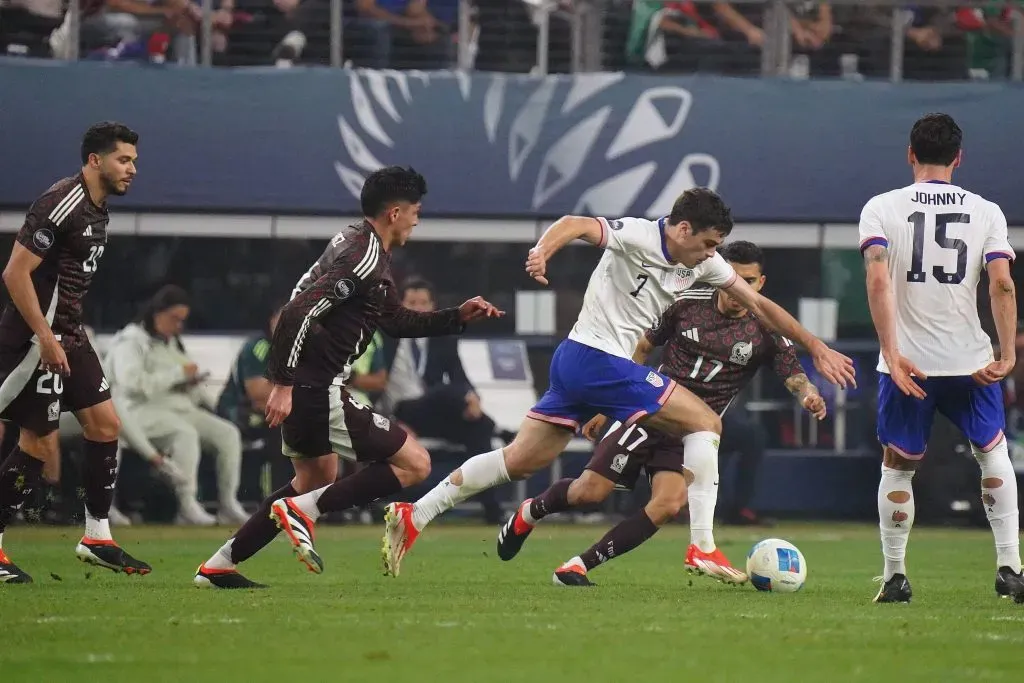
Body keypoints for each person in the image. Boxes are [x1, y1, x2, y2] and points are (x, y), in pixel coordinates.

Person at [382, 188, 857, 578]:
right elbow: (576, 222)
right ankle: (704, 548)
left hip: (576, 362)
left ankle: (416, 513)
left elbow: (762, 308)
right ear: (684, 228)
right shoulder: (638, 234)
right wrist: (542, 249)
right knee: (706, 422)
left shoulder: (704, 265)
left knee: (521, 460)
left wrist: (816, 347)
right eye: (708, 243)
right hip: (598, 359)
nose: (712, 256)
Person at [193, 166, 501, 588]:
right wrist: (283, 384)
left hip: (307, 385)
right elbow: (296, 312)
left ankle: (219, 564)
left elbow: (393, 320)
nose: (417, 220)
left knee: (313, 482)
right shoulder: (364, 255)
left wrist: (455, 316)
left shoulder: (359, 243)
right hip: (317, 388)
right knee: (415, 464)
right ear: (395, 212)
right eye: (416, 211)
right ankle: (305, 511)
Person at [496, 240, 827, 585]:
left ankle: (577, 566)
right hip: (649, 410)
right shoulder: (686, 303)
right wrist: (607, 405)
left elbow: (794, 375)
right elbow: (642, 346)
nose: (740, 290)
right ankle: (530, 512)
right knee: (589, 493)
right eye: (736, 280)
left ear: (761, 283)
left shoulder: (767, 329)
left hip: (693, 434)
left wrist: (809, 395)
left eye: (750, 281)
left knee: (669, 503)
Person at [860, 113, 1024, 604]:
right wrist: (1008, 350)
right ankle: (1010, 567)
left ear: (911, 154)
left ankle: (894, 577)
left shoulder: (881, 208)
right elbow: (1001, 282)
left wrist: (891, 352)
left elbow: (876, 279)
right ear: (959, 158)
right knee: (992, 452)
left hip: (910, 365)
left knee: (899, 464)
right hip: (971, 361)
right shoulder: (987, 211)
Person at [0, 121, 150, 585]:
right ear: (94, 160)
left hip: (69, 335)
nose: (132, 170)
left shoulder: (98, 209)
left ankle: (96, 536)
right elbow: (15, 274)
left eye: (134, 162)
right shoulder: (62, 201)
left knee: (106, 425)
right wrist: (44, 337)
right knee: (37, 443)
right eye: (124, 160)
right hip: (33, 339)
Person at [105, 285, 249, 526]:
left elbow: (180, 379)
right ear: (157, 312)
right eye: (174, 319)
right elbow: (130, 384)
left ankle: (229, 504)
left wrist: (190, 382)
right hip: (140, 411)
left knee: (227, 433)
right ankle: (186, 504)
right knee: (185, 435)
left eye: (182, 320)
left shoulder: (171, 343)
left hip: (179, 408)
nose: (178, 325)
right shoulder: (131, 342)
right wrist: (177, 374)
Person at [380, 278, 505, 524]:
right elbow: (375, 381)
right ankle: (500, 431)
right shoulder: (387, 335)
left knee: (480, 428)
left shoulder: (441, 337)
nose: (418, 308)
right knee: (445, 393)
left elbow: (459, 375)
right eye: (411, 302)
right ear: (401, 305)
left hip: (433, 412)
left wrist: (473, 398)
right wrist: (388, 420)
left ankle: (492, 509)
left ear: (433, 306)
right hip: (401, 411)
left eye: (423, 303)